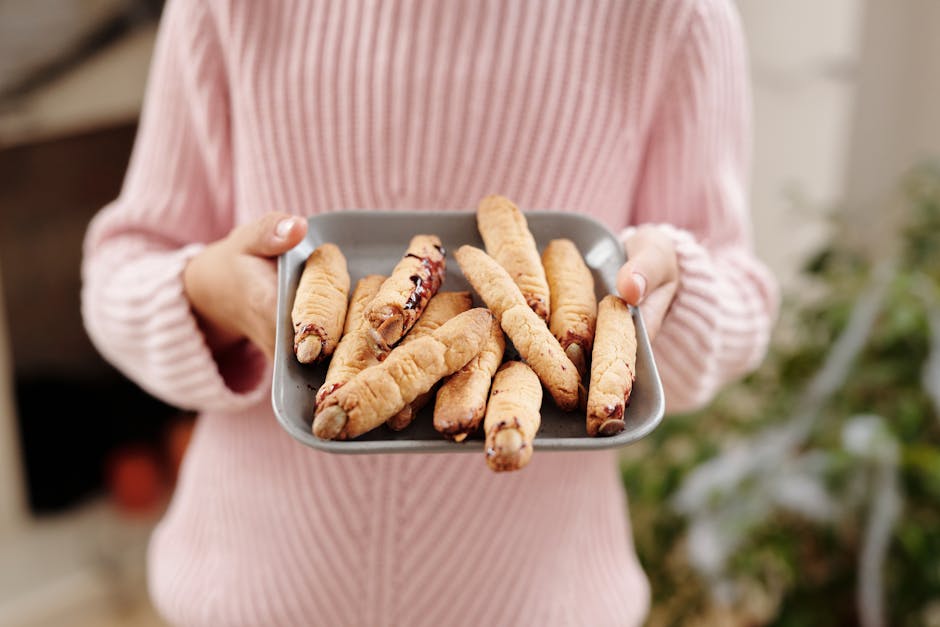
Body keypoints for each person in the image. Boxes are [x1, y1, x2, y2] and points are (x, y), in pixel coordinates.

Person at [81, 0, 778, 624]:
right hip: (250, 592)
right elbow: (120, 271)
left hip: (541, 601)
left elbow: (742, 299)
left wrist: (659, 304)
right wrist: (205, 294)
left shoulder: (672, 14)